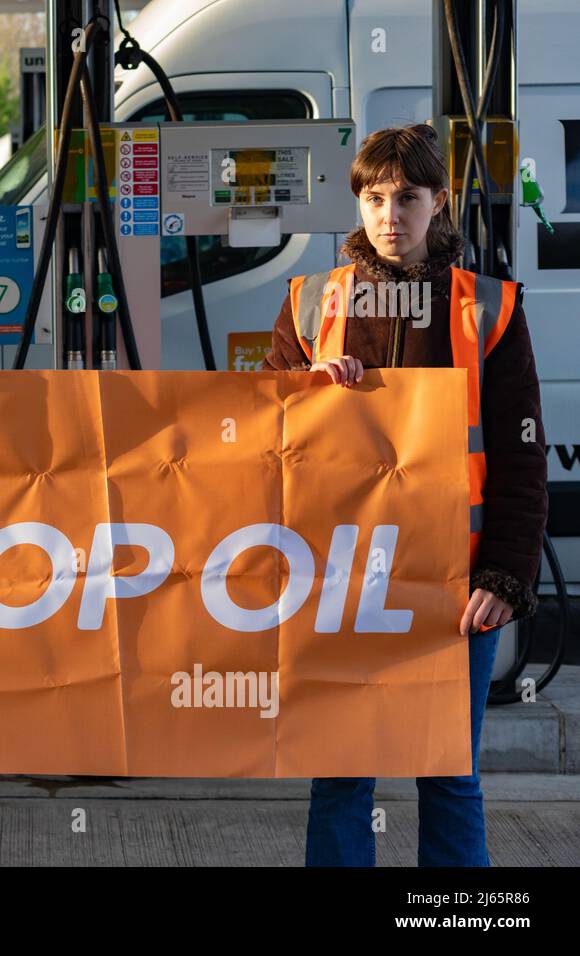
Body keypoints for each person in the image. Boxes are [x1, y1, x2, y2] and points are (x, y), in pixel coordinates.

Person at [262, 123, 548, 867]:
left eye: (409, 198)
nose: (392, 216)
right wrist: (307, 394)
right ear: (357, 202)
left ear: (440, 203)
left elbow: (521, 461)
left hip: (455, 585)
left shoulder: (489, 308)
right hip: (342, 579)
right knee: (342, 773)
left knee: (449, 772)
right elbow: (257, 436)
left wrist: (505, 577)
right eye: (376, 198)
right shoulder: (308, 304)